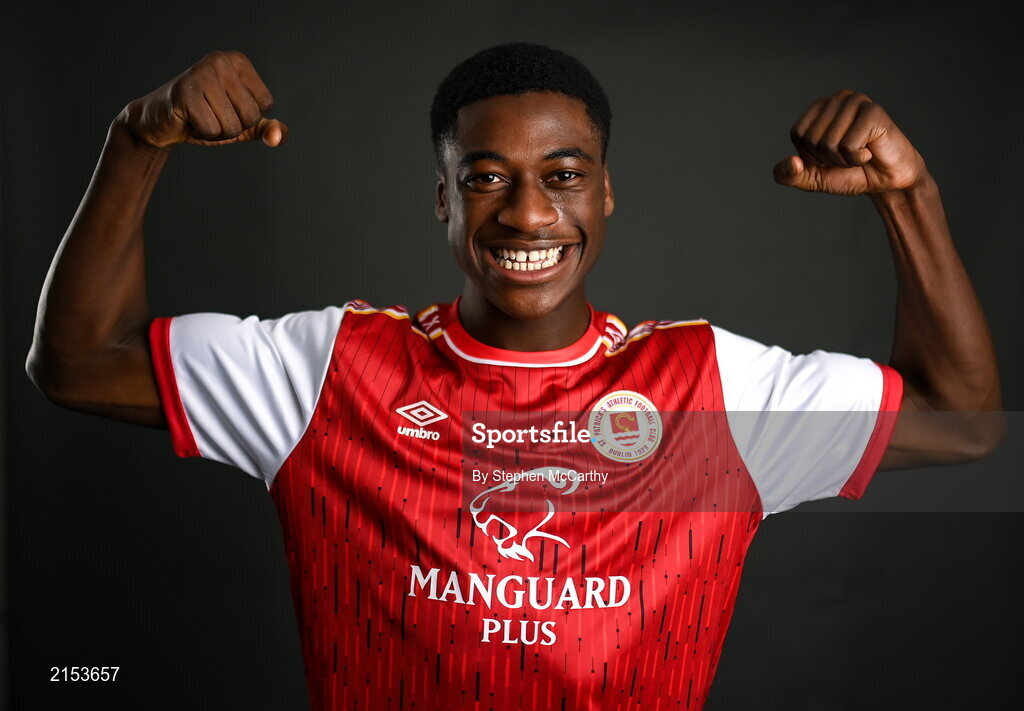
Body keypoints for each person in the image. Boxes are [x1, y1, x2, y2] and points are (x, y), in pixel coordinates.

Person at [25, 42, 1003, 710]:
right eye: (487, 176)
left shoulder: (707, 392)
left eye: (564, 173)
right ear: (442, 199)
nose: (528, 214)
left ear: (606, 193)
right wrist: (134, 143)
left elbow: (964, 423)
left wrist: (907, 199)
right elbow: (74, 365)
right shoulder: (330, 372)